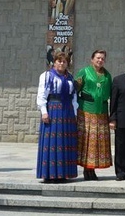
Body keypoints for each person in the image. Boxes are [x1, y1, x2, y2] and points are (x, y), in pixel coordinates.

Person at [36, 52, 78, 183]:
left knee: (65, 142)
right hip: (53, 110)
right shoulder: (47, 76)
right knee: (52, 143)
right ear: (54, 62)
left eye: (64, 61)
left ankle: (63, 173)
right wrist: (44, 111)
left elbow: (74, 96)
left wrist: (75, 113)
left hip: (67, 112)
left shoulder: (70, 77)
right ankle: (49, 174)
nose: (62, 63)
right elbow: (42, 94)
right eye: (59, 61)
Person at [75, 50, 112, 180]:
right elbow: (75, 90)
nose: (100, 60)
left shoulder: (107, 75)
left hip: (101, 111)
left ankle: (93, 169)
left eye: (102, 58)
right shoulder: (84, 72)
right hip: (86, 110)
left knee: (97, 142)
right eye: (97, 58)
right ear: (92, 59)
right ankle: (86, 169)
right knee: (87, 140)